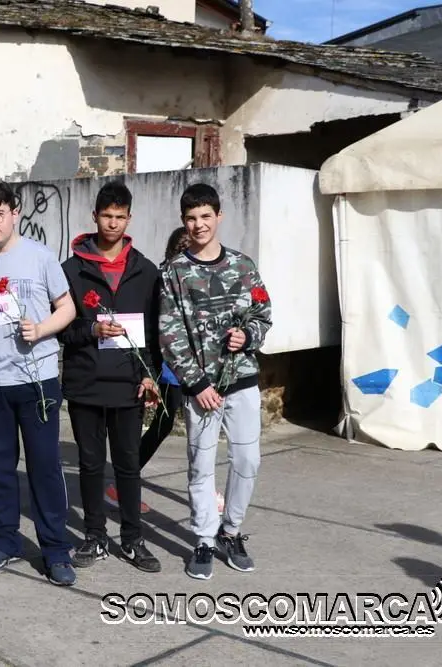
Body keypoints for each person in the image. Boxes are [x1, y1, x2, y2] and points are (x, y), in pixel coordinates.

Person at [159, 183, 272, 580]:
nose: (199, 224)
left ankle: (231, 531)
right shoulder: (174, 272)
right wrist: (196, 384)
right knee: (201, 466)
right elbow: (170, 333)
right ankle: (205, 539)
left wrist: (248, 336)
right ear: (183, 221)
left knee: (248, 460)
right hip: (202, 390)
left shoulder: (243, 266)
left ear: (219, 216)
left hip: (242, 381)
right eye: (191, 218)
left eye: (206, 216)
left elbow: (263, 313)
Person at [0, 182, 78, 586]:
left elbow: (67, 307)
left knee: (44, 466)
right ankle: (5, 540)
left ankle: (55, 549)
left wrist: (42, 329)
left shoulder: (40, 256)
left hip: (37, 378)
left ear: (15, 213)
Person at [59, 179, 163, 574]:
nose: (113, 224)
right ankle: (95, 535)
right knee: (90, 465)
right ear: (95, 216)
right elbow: (61, 329)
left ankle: (133, 539)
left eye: (120, 217)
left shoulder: (146, 271)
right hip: (86, 383)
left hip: (129, 385)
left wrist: (150, 375)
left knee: (128, 466)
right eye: (106, 216)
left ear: (129, 218)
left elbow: (154, 332)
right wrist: (91, 329)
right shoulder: (71, 270)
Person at [103, 227, 228, 514]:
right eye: (183, 249)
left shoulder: (199, 277)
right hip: (171, 364)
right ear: (173, 252)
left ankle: (203, 488)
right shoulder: (163, 280)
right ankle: (122, 485)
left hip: (198, 364)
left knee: (197, 425)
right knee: (166, 424)